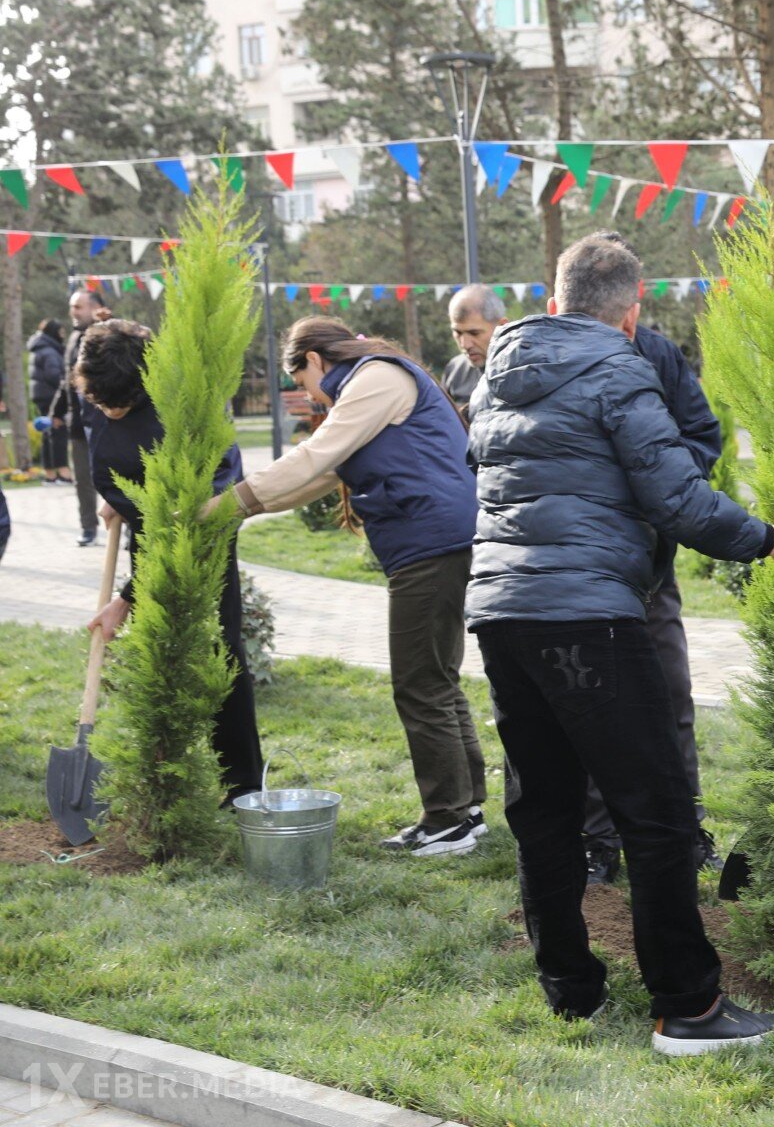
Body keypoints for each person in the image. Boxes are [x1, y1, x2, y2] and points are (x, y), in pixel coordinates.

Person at [465, 233, 774, 1050]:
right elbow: (679, 500)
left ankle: (569, 990)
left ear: (555, 298)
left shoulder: (498, 372)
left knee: (544, 810)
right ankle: (688, 1008)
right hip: (589, 618)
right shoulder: (618, 368)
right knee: (656, 813)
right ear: (632, 310)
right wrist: (770, 539)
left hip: (500, 613)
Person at [214, 317, 486, 857]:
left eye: (301, 382)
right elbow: (321, 477)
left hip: (432, 544)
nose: (309, 396)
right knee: (436, 679)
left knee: (419, 684)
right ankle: (465, 809)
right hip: (440, 540)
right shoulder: (373, 382)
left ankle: (447, 820)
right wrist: (241, 511)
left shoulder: (374, 379)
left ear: (315, 360)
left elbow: (314, 456)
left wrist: (225, 503)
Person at [73, 320, 264, 803]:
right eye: (98, 401)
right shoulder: (98, 385)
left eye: (118, 403)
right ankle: (162, 785)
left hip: (201, 532)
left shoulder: (186, 407)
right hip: (144, 518)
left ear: (144, 385)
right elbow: (115, 449)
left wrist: (126, 598)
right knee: (159, 653)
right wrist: (121, 494)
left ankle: (242, 784)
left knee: (218, 652)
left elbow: (213, 497)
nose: (107, 410)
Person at [47, 290, 112, 545]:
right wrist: (56, 412)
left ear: (95, 308)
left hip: (108, 421)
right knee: (83, 479)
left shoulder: (111, 333)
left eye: (78, 306)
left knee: (118, 476)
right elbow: (68, 380)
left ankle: (128, 526)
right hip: (78, 424)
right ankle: (88, 528)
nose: (73, 311)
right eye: (72, 306)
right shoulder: (74, 338)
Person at [443, 285, 505, 417]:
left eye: (474, 333)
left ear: (502, 326)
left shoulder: (523, 371)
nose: (465, 344)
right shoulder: (454, 370)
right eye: (458, 333)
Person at [29, 319, 70, 482]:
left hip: (42, 395)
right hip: (51, 397)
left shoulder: (40, 347)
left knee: (48, 434)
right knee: (58, 432)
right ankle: (63, 472)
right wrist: (67, 385)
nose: (63, 335)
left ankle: (50, 474)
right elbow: (53, 375)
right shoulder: (50, 351)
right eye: (61, 332)